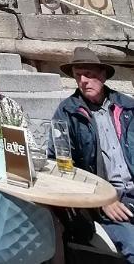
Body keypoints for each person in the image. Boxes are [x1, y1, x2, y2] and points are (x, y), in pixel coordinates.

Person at [51, 48, 134, 261]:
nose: (83, 80)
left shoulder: (128, 107)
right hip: (108, 200)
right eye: (78, 75)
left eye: (89, 74)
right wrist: (101, 198)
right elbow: (60, 165)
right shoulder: (67, 112)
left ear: (103, 75)